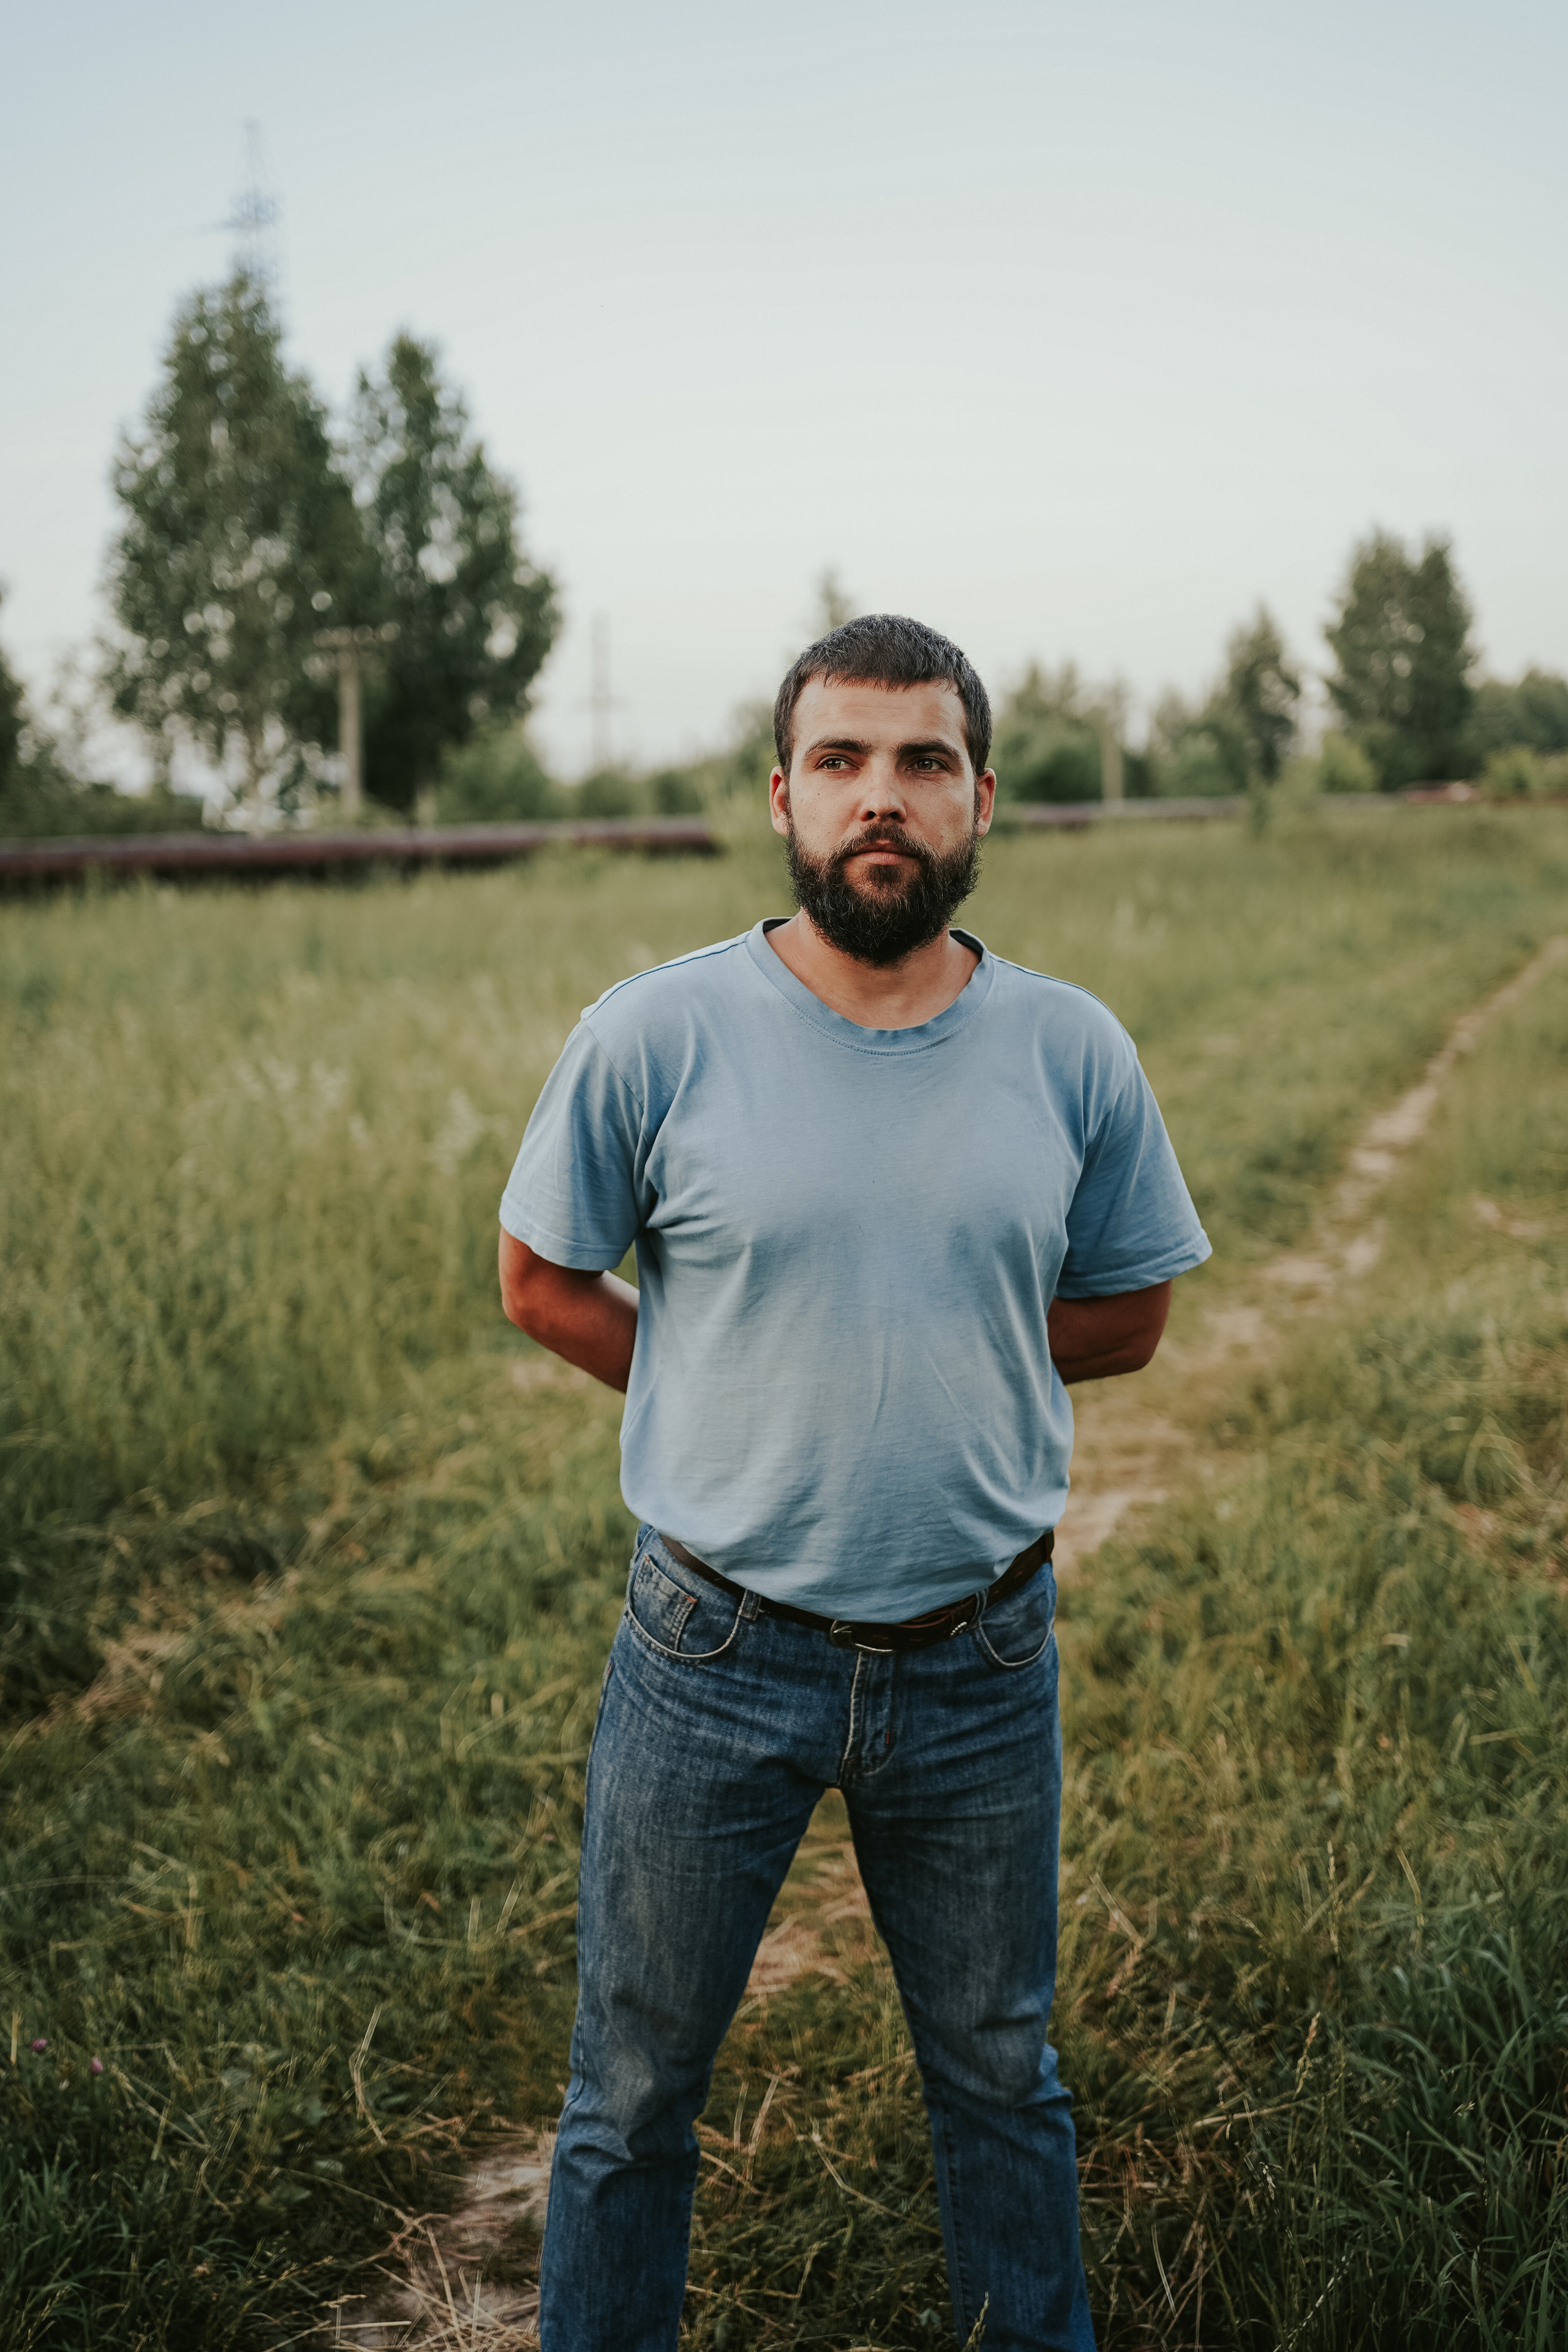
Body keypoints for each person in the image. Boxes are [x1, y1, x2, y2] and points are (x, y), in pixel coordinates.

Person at [497, 614, 1211, 2352]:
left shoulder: (1071, 1050)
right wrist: (731, 1382)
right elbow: (542, 1279)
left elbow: (1129, 1309)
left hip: (978, 1660)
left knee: (1002, 2080)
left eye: (918, 762)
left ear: (981, 799)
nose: (877, 799)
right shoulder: (655, 1037)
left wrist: (949, 1357)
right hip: (713, 1653)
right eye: (841, 763)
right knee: (631, 2099)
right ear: (782, 797)